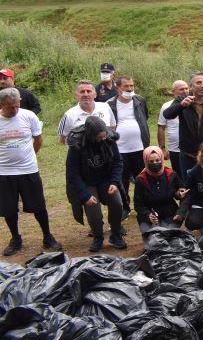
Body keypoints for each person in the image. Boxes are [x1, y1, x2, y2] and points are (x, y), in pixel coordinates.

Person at [0, 88, 61, 255]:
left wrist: (30, 156)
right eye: (9, 107)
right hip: (4, 172)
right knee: (9, 209)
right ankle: (16, 238)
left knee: (38, 205)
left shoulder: (29, 116)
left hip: (28, 170)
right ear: (1, 105)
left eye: (16, 105)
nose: (14, 109)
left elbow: (38, 138)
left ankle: (48, 236)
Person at [65, 116, 126, 251]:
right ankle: (98, 237)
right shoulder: (77, 145)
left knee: (117, 203)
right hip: (86, 182)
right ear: (91, 135)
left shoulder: (109, 139)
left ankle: (115, 234)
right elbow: (72, 173)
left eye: (104, 136)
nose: (102, 139)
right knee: (93, 210)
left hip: (106, 180)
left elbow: (118, 162)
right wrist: (84, 195)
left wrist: (115, 182)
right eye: (99, 137)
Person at [163, 71, 203, 178]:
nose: (202, 86)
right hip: (188, 155)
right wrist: (181, 105)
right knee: (189, 186)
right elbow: (167, 114)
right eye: (198, 83)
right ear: (191, 86)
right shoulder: (182, 100)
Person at [107, 75, 151, 216]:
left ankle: (143, 206)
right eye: (126, 86)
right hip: (119, 149)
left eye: (132, 86)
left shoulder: (140, 101)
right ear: (117, 87)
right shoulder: (109, 105)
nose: (130, 88)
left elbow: (145, 117)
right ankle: (124, 208)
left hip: (139, 147)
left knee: (142, 179)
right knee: (122, 180)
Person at [133, 146, 188, 234]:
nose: (155, 163)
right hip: (150, 215)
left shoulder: (171, 174)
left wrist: (180, 212)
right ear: (146, 161)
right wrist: (148, 215)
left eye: (157, 160)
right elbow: (138, 205)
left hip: (170, 213)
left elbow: (185, 195)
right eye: (151, 161)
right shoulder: (140, 180)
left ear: (162, 159)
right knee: (153, 237)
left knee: (168, 235)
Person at [158, 80, 188, 176]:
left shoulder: (193, 104)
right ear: (173, 91)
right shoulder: (166, 106)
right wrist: (162, 148)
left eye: (186, 88)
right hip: (175, 149)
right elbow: (161, 128)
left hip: (191, 148)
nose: (185, 91)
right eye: (181, 89)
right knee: (178, 176)